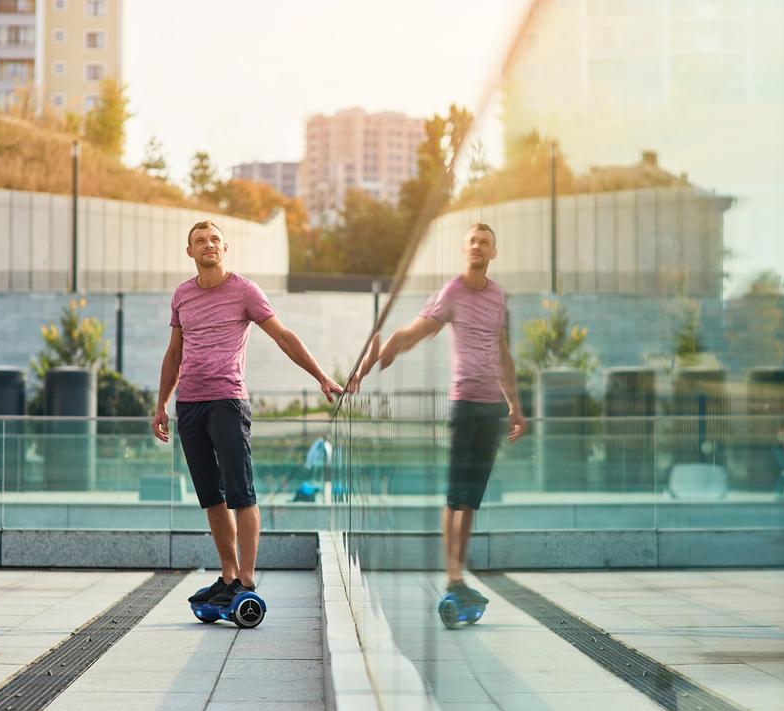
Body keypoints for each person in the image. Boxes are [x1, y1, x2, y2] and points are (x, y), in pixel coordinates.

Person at [151, 220, 342, 607]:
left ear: (225, 248)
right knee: (211, 497)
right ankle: (227, 575)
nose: (209, 245)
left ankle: (247, 579)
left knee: (241, 493)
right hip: (189, 405)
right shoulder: (182, 295)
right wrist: (161, 405)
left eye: (215, 240)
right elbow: (174, 354)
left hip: (228, 402)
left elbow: (284, 336)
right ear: (190, 252)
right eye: (201, 241)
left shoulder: (244, 290)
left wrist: (321, 376)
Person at [349, 223, 526, 608]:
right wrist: (373, 360)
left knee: (473, 499)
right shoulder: (453, 291)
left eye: (485, 242)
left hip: (492, 407)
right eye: (472, 242)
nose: (478, 246)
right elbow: (413, 333)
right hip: (464, 404)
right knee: (456, 494)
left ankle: (459, 576)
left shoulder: (498, 297)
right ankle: (453, 577)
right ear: (466, 251)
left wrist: (515, 406)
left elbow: (504, 354)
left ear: (493, 253)